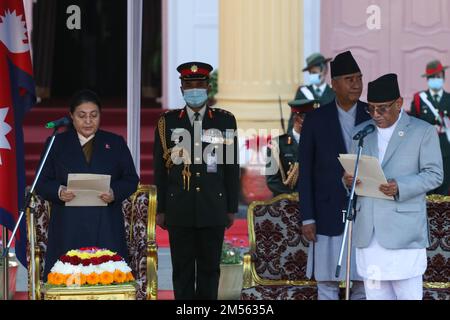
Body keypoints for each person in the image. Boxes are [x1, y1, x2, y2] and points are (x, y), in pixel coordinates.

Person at [344, 73, 443, 300]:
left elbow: (435, 175)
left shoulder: (422, 131)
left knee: (407, 294)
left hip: (403, 232)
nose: (376, 115)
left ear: (399, 103)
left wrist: (401, 186)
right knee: (376, 295)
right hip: (369, 234)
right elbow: (352, 174)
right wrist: (348, 181)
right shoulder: (362, 132)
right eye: (371, 109)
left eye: (382, 108)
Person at [153, 62, 240, 300]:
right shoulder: (167, 122)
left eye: (199, 84)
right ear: (181, 89)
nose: (194, 89)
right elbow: (160, 170)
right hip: (178, 207)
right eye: (189, 85)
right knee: (181, 272)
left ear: (208, 87)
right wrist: (161, 208)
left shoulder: (224, 121)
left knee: (210, 270)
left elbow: (231, 167)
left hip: (213, 206)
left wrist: (231, 207)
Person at [36, 90, 139, 278]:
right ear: (71, 117)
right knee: (66, 280)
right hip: (68, 224)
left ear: (100, 116)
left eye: (94, 115)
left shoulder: (115, 143)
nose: (88, 121)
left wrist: (114, 192)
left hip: (106, 223)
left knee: (108, 278)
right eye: (82, 116)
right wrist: (59, 191)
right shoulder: (56, 143)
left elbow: (131, 179)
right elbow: (41, 182)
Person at [298, 51, 371, 300]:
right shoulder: (316, 119)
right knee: (327, 283)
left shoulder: (373, 116)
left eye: (359, 78)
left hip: (365, 214)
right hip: (326, 214)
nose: (356, 84)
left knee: (362, 283)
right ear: (335, 84)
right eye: (349, 79)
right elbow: (305, 171)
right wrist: (307, 217)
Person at [409, 60, 450, 195]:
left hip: (446, 151)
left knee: (444, 190)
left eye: (438, 77)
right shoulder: (419, 99)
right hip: (425, 150)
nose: (435, 80)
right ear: (427, 79)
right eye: (432, 77)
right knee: (427, 189)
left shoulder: (449, 99)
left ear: (443, 77)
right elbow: (413, 125)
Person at [266, 99, 318, 196]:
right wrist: (294, 195)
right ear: (297, 118)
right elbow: (272, 181)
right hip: (287, 203)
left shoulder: (320, 143)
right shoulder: (276, 144)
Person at [288, 53, 336, 132]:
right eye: (312, 73)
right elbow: (293, 122)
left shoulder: (334, 92)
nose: (314, 76)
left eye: (316, 72)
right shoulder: (302, 92)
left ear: (325, 70)